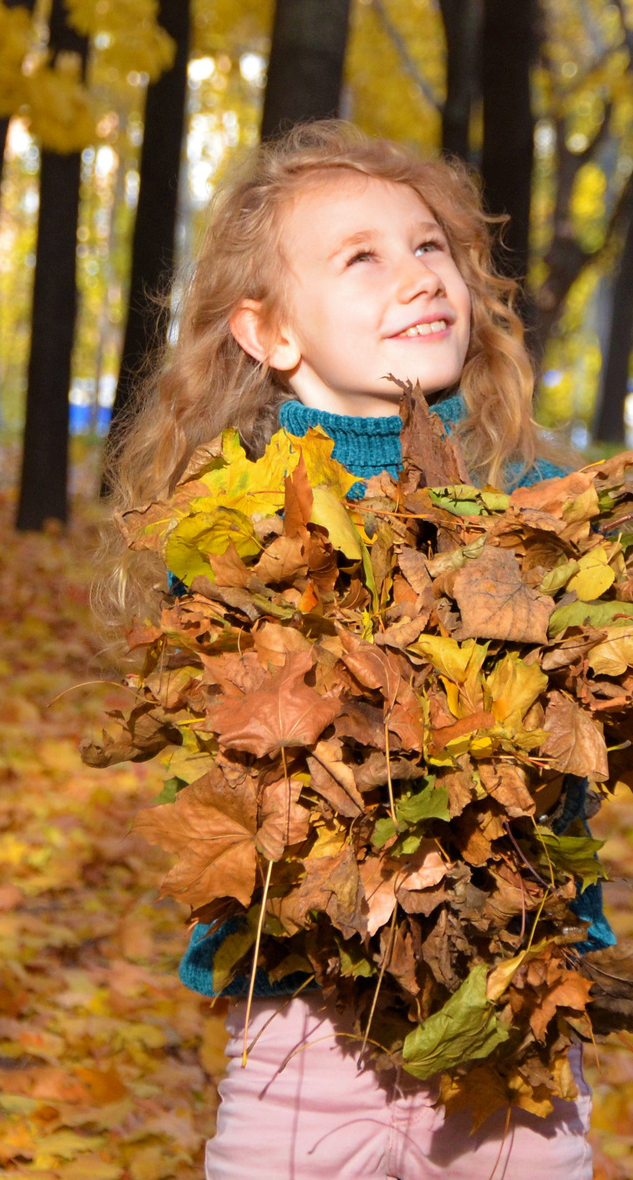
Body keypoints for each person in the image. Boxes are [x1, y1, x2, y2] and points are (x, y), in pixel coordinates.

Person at [104, 121, 601, 1180]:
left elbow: (570, 774)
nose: (418, 277)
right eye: (361, 257)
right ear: (269, 332)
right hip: (304, 1028)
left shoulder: (537, 520)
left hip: (506, 1019)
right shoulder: (235, 531)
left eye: (430, 248)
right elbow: (244, 773)